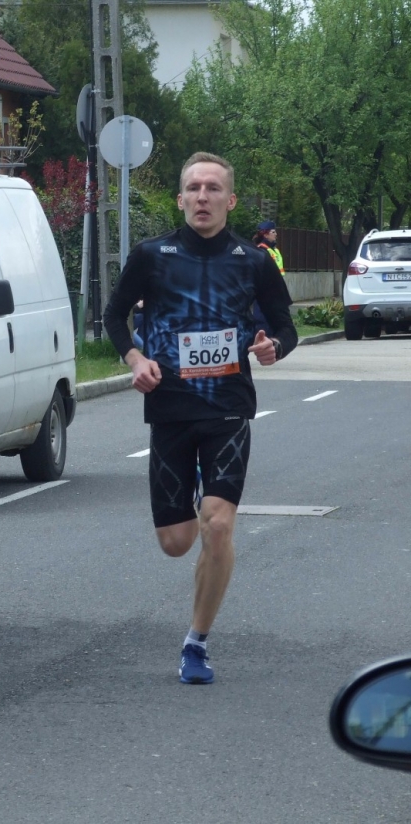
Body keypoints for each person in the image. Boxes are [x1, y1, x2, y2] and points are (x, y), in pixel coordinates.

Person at [103, 153, 298, 684]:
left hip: (228, 408)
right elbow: (114, 315)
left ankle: (197, 642)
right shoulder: (152, 256)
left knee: (218, 524)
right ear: (181, 199)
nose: (203, 196)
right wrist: (135, 359)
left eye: (213, 188)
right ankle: (192, 492)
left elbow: (284, 326)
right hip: (169, 407)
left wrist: (274, 346)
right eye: (194, 187)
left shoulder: (253, 261)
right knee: (176, 542)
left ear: (230, 200)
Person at [251, 220, 283, 336]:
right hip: (264, 290)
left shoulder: (275, 250)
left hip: (276, 289)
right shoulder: (261, 250)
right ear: (265, 234)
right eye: (273, 232)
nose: (276, 234)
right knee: (262, 318)